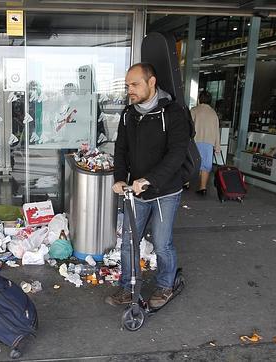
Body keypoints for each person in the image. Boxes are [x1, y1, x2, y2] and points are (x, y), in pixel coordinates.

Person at [106, 63, 190, 309]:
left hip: (165, 191)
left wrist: (149, 180)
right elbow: (121, 149)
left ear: (151, 82)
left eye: (134, 84)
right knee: (128, 242)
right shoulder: (128, 114)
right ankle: (127, 286)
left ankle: (166, 285)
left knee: (162, 243)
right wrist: (120, 178)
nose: (129, 90)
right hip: (136, 192)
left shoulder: (173, 113)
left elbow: (177, 154)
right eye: (127, 86)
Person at [190, 91, 220, 196]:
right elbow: (217, 131)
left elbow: (188, 127)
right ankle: (203, 188)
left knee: (191, 162)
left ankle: (186, 182)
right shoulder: (213, 113)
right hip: (209, 142)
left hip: (195, 141)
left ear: (199, 99)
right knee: (206, 166)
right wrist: (217, 146)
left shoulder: (194, 110)